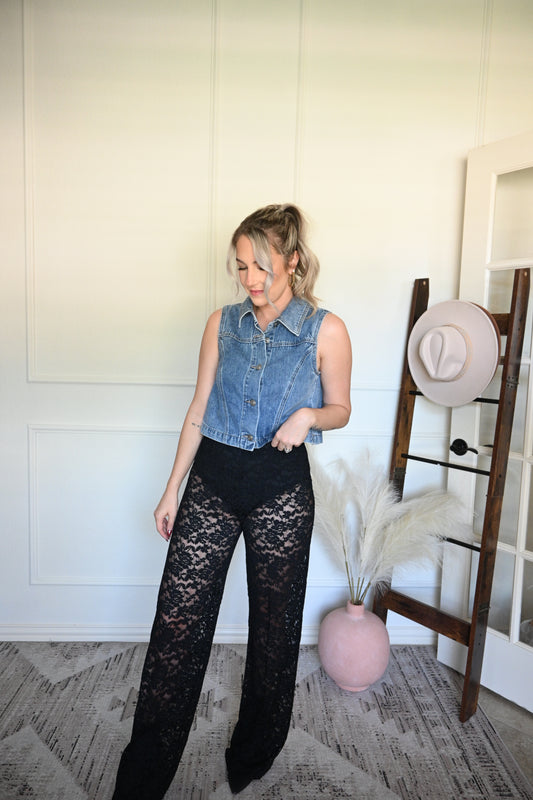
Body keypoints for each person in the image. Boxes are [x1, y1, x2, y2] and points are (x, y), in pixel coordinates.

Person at [112, 203, 352, 798]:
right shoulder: (221, 323)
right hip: (213, 483)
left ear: (293, 261)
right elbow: (197, 411)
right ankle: (142, 778)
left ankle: (252, 752)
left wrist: (309, 416)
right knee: (176, 629)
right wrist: (171, 489)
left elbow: (342, 409)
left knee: (274, 634)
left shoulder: (327, 330)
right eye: (241, 266)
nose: (250, 280)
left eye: (262, 267)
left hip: (281, 494)